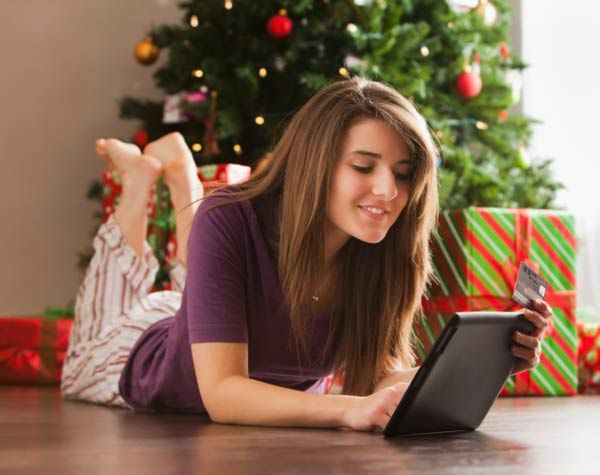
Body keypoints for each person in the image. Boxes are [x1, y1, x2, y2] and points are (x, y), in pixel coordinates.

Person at [61, 77, 552, 432]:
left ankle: (178, 175)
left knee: (200, 266)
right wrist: (346, 410)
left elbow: (378, 375)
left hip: (204, 325)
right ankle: (141, 180)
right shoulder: (231, 218)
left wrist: (490, 361)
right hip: (132, 352)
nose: (388, 190)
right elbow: (223, 394)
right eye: (364, 166)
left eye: (403, 174)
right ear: (316, 165)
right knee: (89, 339)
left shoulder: (374, 250)